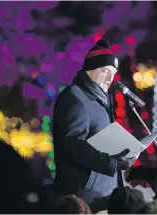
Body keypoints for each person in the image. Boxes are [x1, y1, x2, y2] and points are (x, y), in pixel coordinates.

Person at [52, 38, 136, 212]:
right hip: (84, 195)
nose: (110, 77)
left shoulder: (101, 100)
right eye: (105, 70)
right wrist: (111, 163)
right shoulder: (75, 97)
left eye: (113, 72)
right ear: (90, 70)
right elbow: (72, 142)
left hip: (104, 192)